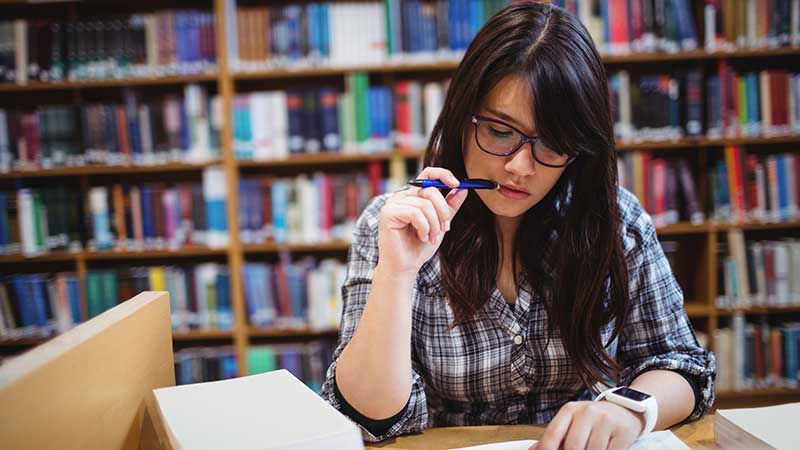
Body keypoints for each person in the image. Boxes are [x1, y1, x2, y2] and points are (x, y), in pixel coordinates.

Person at [320, 2, 716, 450]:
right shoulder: (394, 224)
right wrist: (398, 272)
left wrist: (629, 408)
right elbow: (371, 417)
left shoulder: (616, 222)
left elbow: (683, 365)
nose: (520, 167)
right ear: (462, 117)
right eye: (500, 132)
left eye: (552, 142)